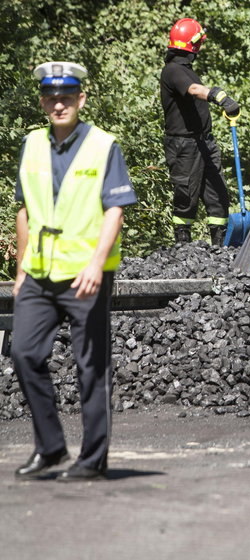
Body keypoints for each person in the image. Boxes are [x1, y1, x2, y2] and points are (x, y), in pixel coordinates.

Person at [12, 61, 137, 481]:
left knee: (91, 367)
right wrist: (20, 270)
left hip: (86, 276)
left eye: (67, 96)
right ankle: (50, 448)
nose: (59, 103)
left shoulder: (103, 145)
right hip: (39, 273)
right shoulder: (31, 144)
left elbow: (115, 209)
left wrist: (96, 264)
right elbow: (25, 210)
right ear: (43, 101)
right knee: (24, 353)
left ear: (81, 99)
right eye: (51, 97)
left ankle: (92, 459)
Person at [160, 17, 240, 246]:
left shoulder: (186, 70)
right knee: (186, 196)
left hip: (204, 143)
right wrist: (219, 96)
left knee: (218, 194)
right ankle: (183, 247)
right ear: (193, 45)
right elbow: (194, 90)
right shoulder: (173, 71)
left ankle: (219, 247)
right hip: (184, 145)